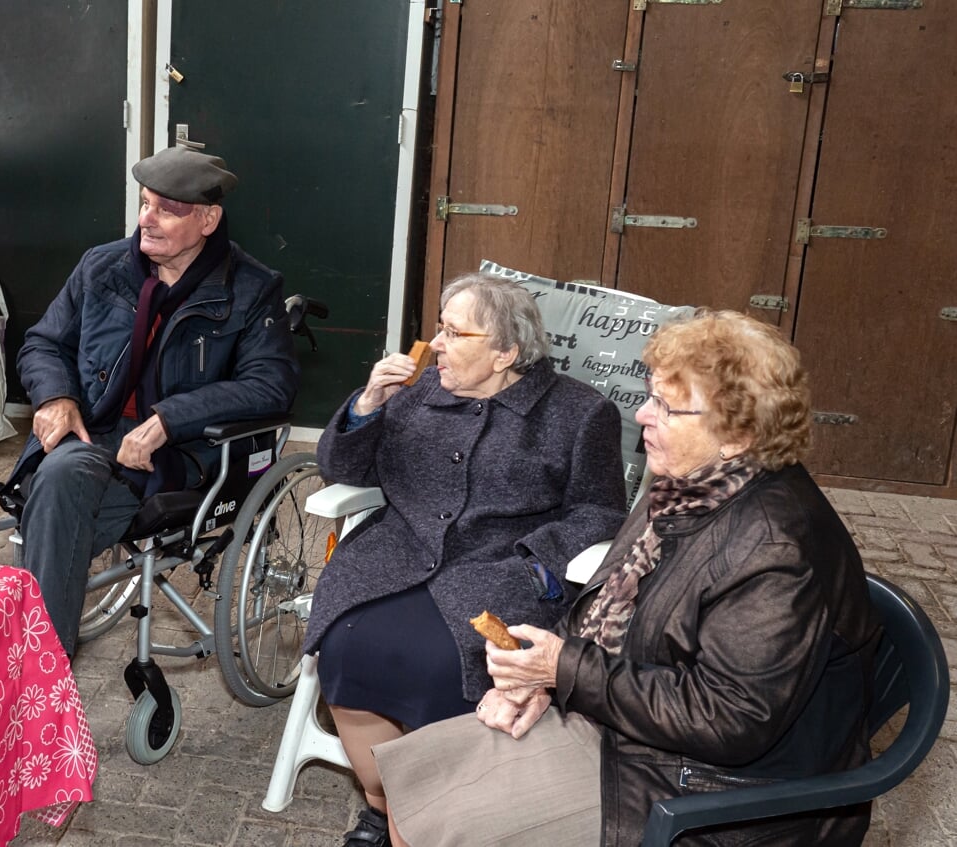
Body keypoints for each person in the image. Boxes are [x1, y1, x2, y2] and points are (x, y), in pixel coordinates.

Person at [371, 310, 882, 847]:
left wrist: (564, 669)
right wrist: (543, 681)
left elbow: (731, 720)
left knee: (439, 826)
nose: (641, 415)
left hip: (712, 784)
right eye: (650, 395)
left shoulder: (776, 550)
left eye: (667, 405)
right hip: (634, 723)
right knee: (408, 794)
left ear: (739, 434)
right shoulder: (686, 484)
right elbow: (601, 609)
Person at [303, 273, 628, 847]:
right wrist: (367, 404)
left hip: (502, 572)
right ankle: (383, 806)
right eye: (441, 327)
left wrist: (538, 563)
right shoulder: (414, 392)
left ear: (507, 352)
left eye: (456, 332)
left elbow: (600, 513)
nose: (439, 343)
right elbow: (343, 470)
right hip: (396, 556)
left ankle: (432, 809)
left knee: (439, 663)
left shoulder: (579, 414)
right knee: (346, 639)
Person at [6, 145, 299, 656]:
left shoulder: (250, 290)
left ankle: (35, 666)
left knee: (53, 503)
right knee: (62, 479)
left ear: (209, 219)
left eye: (167, 209)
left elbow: (269, 385)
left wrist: (170, 419)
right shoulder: (102, 268)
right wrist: (55, 396)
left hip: (180, 456)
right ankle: (41, 665)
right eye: (145, 203)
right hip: (93, 435)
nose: (148, 219)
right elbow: (45, 342)